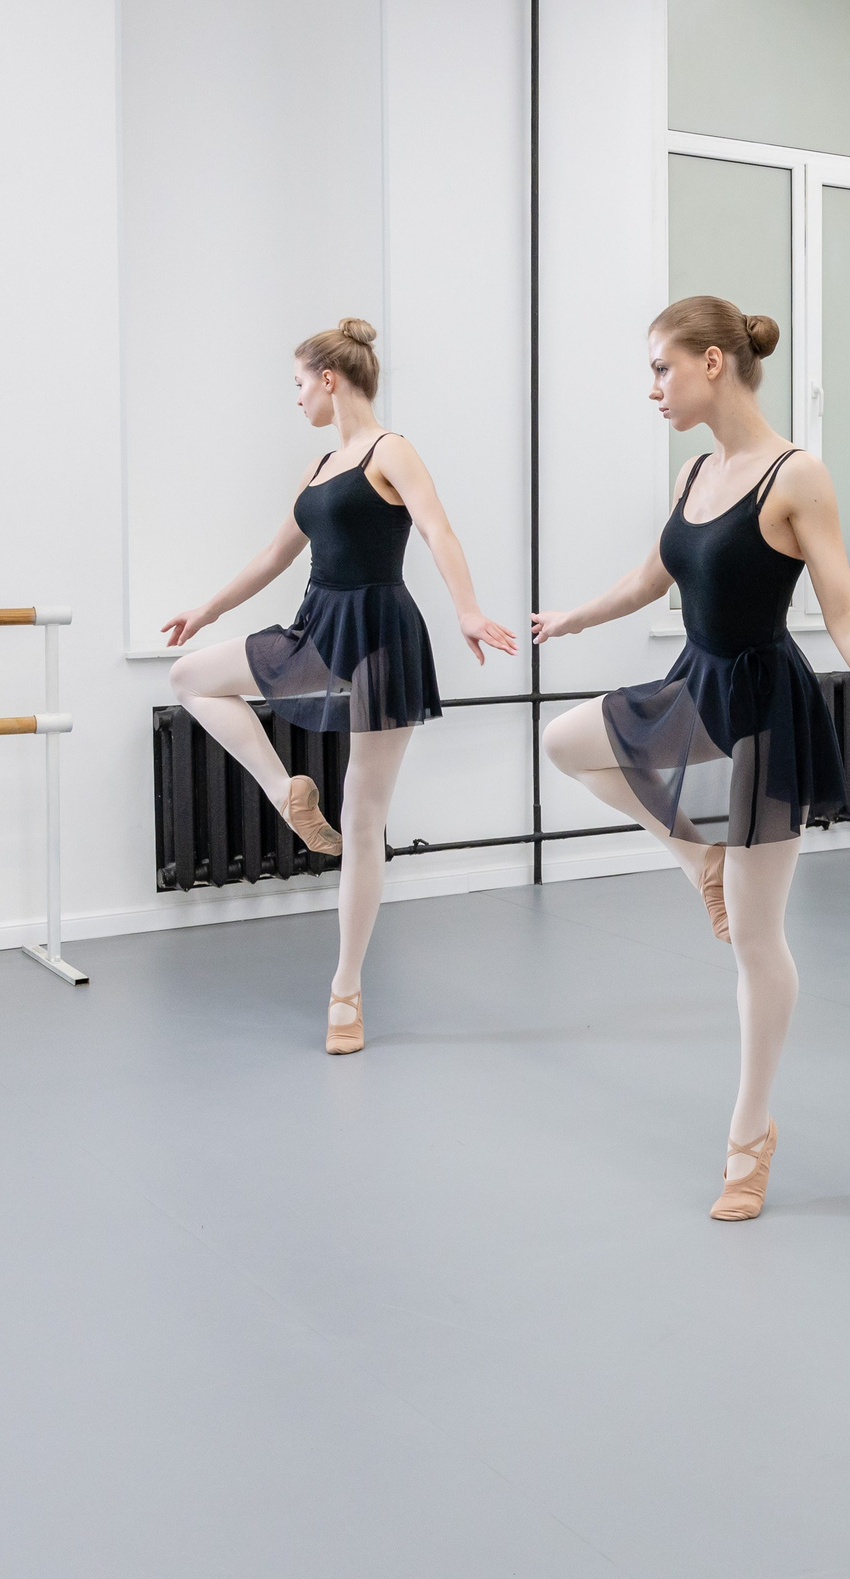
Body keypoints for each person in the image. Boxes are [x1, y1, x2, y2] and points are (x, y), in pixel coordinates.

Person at [534, 296, 850, 1221]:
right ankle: (701, 858)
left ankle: (749, 1134)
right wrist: (573, 617)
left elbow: (844, 607)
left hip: (764, 707)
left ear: (711, 362)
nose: (652, 387)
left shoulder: (795, 474)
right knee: (566, 741)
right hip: (696, 683)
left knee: (757, 940)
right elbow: (652, 576)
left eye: (661, 368)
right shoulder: (695, 470)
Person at [164, 318, 516, 1054]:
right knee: (190, 675)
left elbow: (438, 530)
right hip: (318, 628)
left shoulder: (393, 451)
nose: (296, 398)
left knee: (362, 818)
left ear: (329, 379)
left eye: (299, 384)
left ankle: (346, 992)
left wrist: (468, 609)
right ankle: (285, 791)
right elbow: (274, 554)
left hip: (382, 635)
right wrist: (207, 610)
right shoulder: (320, 465)